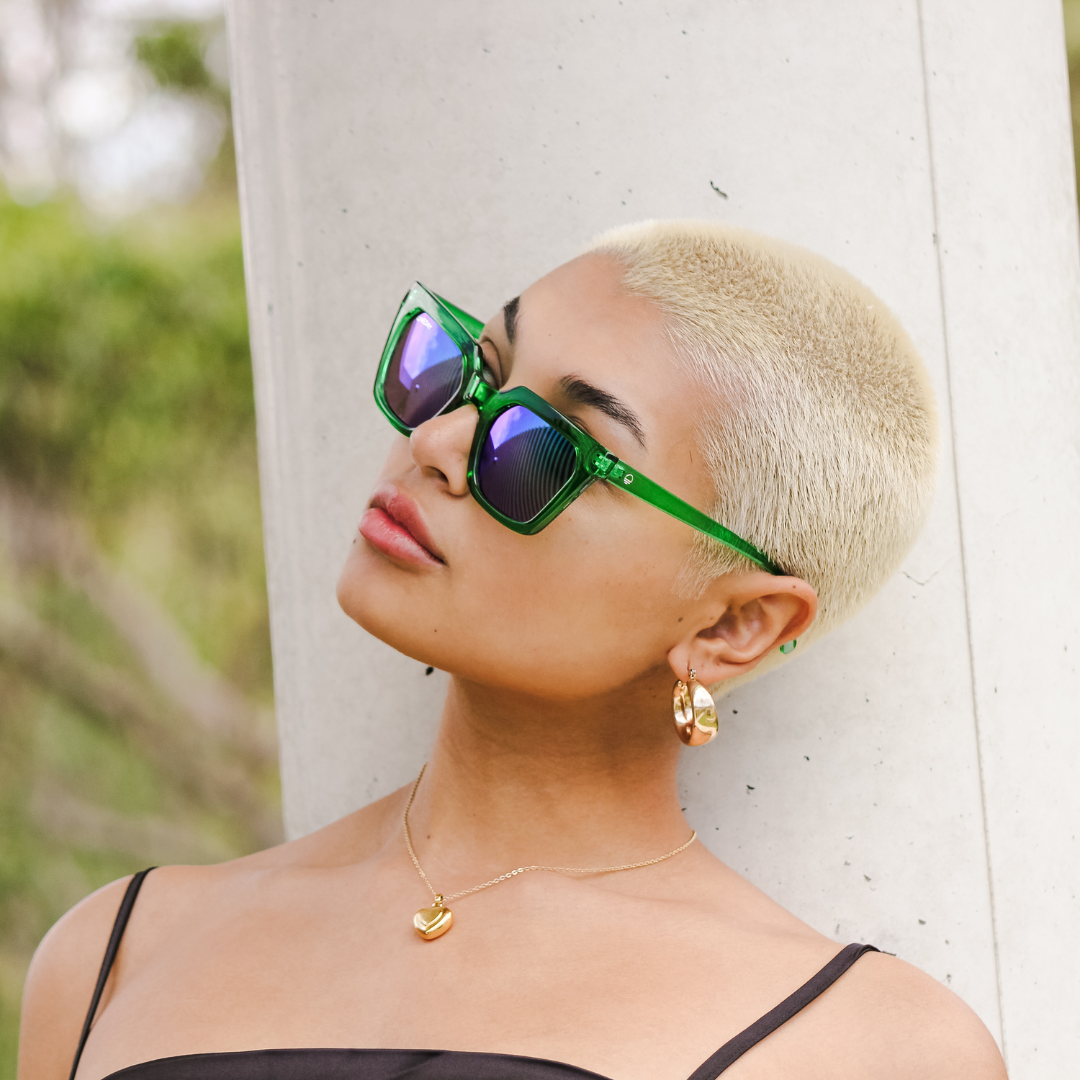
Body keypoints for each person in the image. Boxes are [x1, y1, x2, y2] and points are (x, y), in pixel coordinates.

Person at [19, 221, 1007, 1080]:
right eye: (472, 372)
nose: (443, 439)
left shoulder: (874, 1048)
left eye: (546, 446)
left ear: (729, 627)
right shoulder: (116, 950)